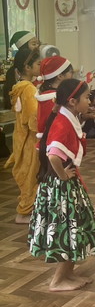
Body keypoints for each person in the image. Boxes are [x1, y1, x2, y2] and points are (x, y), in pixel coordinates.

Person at [28, 78, 95, 291]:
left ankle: (67, 274)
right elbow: (53, 155)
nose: (89, 101)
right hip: (62, 188)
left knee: (74, 229)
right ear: (72, 101)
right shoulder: (62, 123)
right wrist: (63, 176)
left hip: (65, 185)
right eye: (87, 97)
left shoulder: (66, 117)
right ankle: (58, 280)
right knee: (69, 229)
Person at [3, 46, 41, 222]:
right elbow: (33, 117)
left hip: (22, 138)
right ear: (27, 67)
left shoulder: (21, 87)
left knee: (29, 174)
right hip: (30, 139)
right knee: (30, 175)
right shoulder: (28, 89)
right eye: (38, 64)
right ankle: (24, 212)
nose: (40, 67)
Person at [35, 56, 74, 140]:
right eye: (71, 73)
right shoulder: (53, 99)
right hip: (55, 142)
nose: (72, 76)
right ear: (60, 76)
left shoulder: (48, 95)